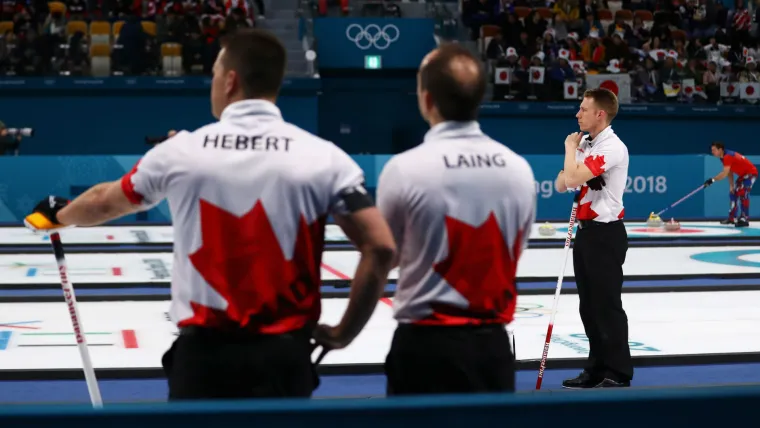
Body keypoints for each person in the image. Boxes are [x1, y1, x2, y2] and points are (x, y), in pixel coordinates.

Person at [23, 28, 396, 400]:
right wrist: (344, 332)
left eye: (216, 73)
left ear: (231, 81)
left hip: (205, 359)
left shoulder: (182, 151)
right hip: (285, 357)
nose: (213, 82)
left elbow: (106, 201)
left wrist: (61, 214)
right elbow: (380, 247)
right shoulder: (324, 156)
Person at [375, 43, 537, 395]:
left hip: (424, 349)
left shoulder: (404, 169)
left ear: (427, 100)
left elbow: (384, 257)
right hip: (492, 349)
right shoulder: (519, 169)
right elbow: (513, 251)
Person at [554, 88, 632, 389]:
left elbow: (571, 177)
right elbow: (560, 183)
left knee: (606, 304)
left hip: (605, 233)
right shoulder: (587, 143)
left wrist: (568, 149)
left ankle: (618, 370)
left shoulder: (612, 147)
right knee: (588, 306)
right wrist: (573, 162)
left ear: (600, 114)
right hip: (586, 234)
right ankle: (596, 368)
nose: (577, 114)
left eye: (583, 109)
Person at [705, 142, 757, 227]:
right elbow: (729, 172)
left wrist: (712, 180)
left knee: (742, 192)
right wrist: (731, 186)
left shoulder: (727, 156)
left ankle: (744, 219)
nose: (712, 152)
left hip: (751, 174)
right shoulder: (723, 158)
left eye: (714, 150)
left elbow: (724, 173)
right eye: (712, 150)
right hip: (743, 175)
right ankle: (731, 218)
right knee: (733, 193)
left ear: (720, 149)